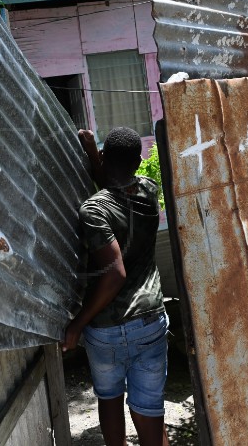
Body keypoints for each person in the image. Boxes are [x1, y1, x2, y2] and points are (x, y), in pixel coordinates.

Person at [62, 127, 169, 446]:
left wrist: (77, 324)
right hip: (150, 321)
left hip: (106, 328)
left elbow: (115, 275)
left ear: (107, 158)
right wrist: (96, 155)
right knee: (150, 409)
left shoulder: (93, 211)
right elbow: (115, 183)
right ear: (138, 162)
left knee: (109, 398)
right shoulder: (149, 190)